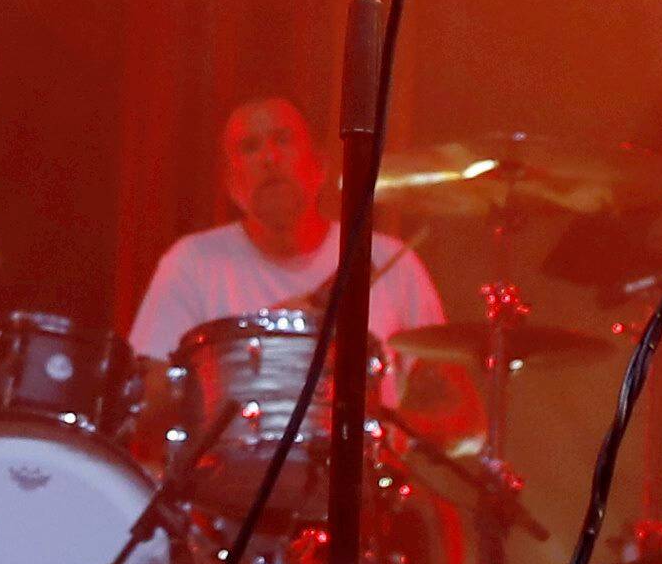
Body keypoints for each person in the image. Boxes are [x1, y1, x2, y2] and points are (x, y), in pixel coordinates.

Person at [123, 89, 469, 461]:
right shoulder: (191, 262)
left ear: (319, 165)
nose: (269, 158)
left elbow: (462, 419)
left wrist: (387, 435)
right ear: (230, 183)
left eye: (283, 140)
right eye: (249, 147)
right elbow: (144, 404)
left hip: (361, 494)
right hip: (230, 498)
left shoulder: (392, 263)